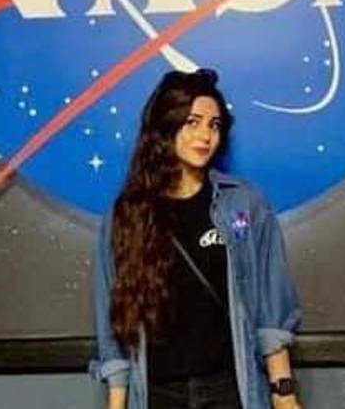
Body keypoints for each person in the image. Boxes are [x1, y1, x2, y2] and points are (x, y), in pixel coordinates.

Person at [90, 69, 303, 409]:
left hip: (228, 390)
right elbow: (113, 317)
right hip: (158, 393)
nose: (206, 135)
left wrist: (284, 392)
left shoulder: (243, 203)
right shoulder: (126, 215)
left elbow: (269, 303)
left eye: (214, 125)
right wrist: (117, 404)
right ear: (166, 127)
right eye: (193, 122)